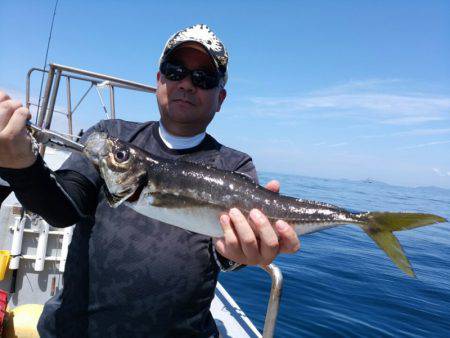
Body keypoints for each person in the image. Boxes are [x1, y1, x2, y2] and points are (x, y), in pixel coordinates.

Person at [0, 24, 300, 337]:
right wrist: (21, 166)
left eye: (203, 78)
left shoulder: (234, 166)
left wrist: (238, 254)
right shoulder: (111, 136)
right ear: (159, 80)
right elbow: (62, 208)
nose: (186, 83)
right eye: (175, 71)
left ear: (220, 98)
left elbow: (224, 251)